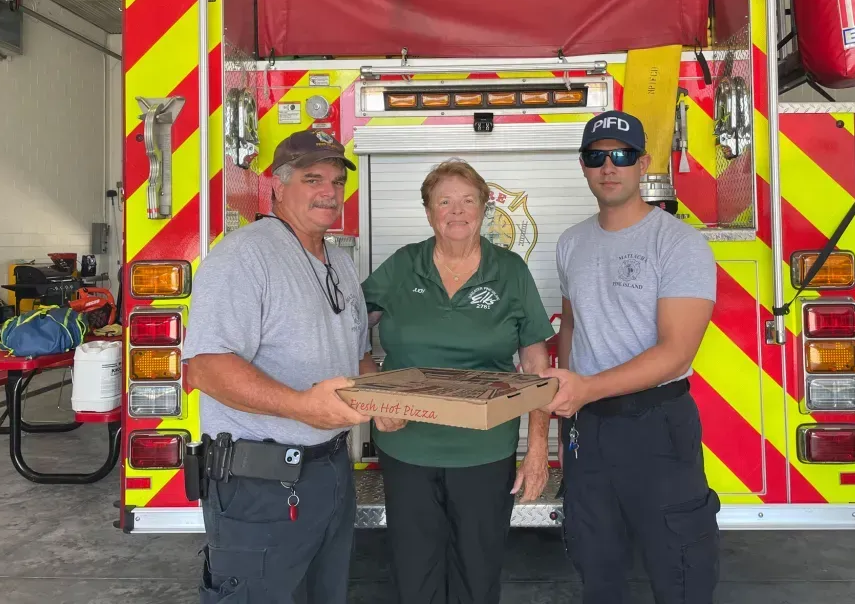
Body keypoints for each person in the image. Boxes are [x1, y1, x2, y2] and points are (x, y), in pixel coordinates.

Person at [182, 129, 391, 604]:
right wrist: (301, 406)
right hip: (258, 486)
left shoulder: (340, 264)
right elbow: (207, 368)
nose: (329, 192)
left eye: (337, 182)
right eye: (312, 179)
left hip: (330, 473)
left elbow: (357, 355)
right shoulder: (245, 255)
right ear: (277, 186)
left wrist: (384, 400)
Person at [540, 110, 721, 604]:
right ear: (583, 165)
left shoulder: (678, 243)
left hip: (656, 426)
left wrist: (587, 389)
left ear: (643, 164)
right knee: (596, 564)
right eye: (596, 156)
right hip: (589, 430)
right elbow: (572, 326)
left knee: (680, 570)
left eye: (621, 156)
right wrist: (568, 417)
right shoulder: (571, 242)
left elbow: (676, 352)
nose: (609, 167)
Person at [362, 158, 555, 604]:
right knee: (415, 577)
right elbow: (347, 329)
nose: (457, 211)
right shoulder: (403, 265)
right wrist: (374, 397)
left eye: (468, 200)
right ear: (429, 211)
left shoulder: (510, 270)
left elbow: (536, 365)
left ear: (485, 208)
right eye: (444, 201)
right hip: (407, 447)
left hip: (485, 450)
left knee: (477, 576)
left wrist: (537, 449)